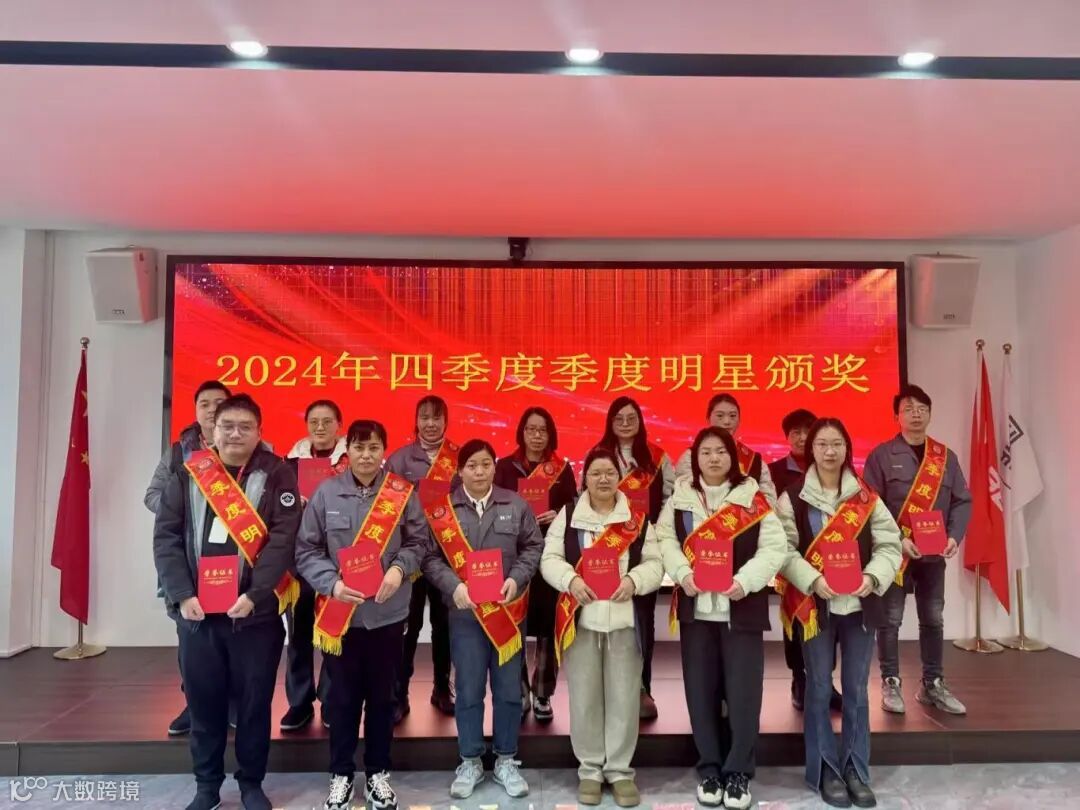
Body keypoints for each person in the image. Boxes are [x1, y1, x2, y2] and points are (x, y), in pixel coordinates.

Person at [153, 394, 301, 810]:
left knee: (254, 704)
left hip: (255, 617)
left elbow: (283, 539)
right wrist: (182, 595)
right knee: (204, 704)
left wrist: (255, 594)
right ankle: (207, 786)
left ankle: (251, 783)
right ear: (212, 431)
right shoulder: (189, 472)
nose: (236, 434)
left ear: (259, 432)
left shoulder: (277, 473)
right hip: (198, 616)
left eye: (245, 427)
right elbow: (166, 536)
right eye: (227, 426)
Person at [295, 419, 431, 810]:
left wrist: (399, 569)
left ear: (383, 452)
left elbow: (419, 542)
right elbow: (307, 550)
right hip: (341, 616)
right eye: (359, 447)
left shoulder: (401, 493)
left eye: (373, 448)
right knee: (341, 700)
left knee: (383, 699)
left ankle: (377, 773)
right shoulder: (326, 493)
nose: (366, 455)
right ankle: (340, 774)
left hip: (388, 614)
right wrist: (332, 584)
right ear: (347, 450)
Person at [657, 427, 788, 809]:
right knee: (700, 693)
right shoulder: (680, 498)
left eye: (720, 451)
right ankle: (710, 768)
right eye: (706, 452)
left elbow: (774, 547)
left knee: (744, 695)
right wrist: (683, 574)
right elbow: (664, 540)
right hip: (696, 611)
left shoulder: (752, 498)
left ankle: (738, 772)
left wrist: (745, 581)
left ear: (733, 457)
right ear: (695, 459)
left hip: (740, 610)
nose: (713, 458)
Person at [776, 418, 902, 809]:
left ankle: (856, 769)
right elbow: (783, 549)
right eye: (822, 444)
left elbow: (890, 544)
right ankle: (825, 770)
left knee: (857, 690)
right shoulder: (793, 497)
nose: (830, 451)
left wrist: (873, 576)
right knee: (817, 688)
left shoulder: (866, 497)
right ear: (811, 449)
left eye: (837, 444)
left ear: (847, 448)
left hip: (860, 606)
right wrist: (812, 579)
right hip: (815, 605)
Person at [420, 439, 543, 800]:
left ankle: (506, 759)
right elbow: (429, 558)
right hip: (465, 615)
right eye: (471, 465)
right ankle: (470, 759)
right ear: (460, 471)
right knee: (469, 689)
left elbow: (533, 547)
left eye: (485, 464)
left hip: (507, 613)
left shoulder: (515, 505)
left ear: (494, 467)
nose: (479, 472)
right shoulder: (442, 511)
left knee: (508, 690)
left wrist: (516, 579)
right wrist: (453, 586)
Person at [542, 447, 663, 808]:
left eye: (610, 472)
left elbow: (655, 564)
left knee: (624, 699)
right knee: (584, 698)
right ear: (585, 479)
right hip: (581, 623)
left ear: (619, 478)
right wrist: (571, 581)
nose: (603, 479)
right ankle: (590, 770)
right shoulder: (568, 516)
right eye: (595, 473)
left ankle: (620, 771)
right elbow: (550, 558)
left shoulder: (637, 520)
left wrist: (634, 580)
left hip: (625, 623)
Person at [863, 385, 972, 716]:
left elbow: (962, 500)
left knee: (933, 618)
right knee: (891, 619)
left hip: (934, 555)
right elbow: (870, 505)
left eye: (922, 408)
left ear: (930, 414)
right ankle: (891, 681)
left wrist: (954, 536)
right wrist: (897, 539)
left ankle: (932, 683)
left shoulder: (945, 457)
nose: (916, 414)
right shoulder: (881, 456)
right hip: (895, 554)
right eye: (908, 409)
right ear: (896, 416)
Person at [143, 379, 230, 737]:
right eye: (204, 403)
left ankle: (232, 704)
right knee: (192, 636)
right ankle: (194, 705)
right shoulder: (179, 453)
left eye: (219, 402)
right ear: (195, 410)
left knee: (234, 635)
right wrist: (185, 506)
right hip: (191, 561)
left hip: (235, 560)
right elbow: (151, 496)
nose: (211, 409)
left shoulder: (250, 447)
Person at [494, 406, 577, 723]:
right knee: (514, 623)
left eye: (543, 430)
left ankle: (543, 692)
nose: (537, 436)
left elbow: (574, 505)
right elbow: (493, 504)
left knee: (547, 628)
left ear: (550, 434)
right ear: (522, 432)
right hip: (513, 556)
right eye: (531, 429)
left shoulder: (562, 469)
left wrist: (559, 514)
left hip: (550, 555)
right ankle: (518, 690)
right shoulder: (504, 467)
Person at [595, 395, 674, 720]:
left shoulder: (657, 458)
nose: (625, 424)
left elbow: (669, 501)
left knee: (642, 618)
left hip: (644, 547)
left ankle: (642, 687)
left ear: (640, 422)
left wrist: (658, 533)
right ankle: (608, 689)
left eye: (631, 418)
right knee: (604, 618)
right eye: (619, 418)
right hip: (606, 548)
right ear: (610, 423)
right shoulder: (599, 455)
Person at [386, 395, 457, 721]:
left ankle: (442, 687)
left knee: (444, 625)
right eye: (424, 417)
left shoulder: (460, 458)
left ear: (446, 421)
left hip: (447, 556)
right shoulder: (399, 460)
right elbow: (387, 510)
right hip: (411, 556)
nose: (430, 424)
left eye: (436, 417)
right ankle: (399, 692)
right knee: (408, 625)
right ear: (416, 421)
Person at [767, 408, 842, 713]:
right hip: (793, 560)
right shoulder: (774, 472)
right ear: (787, 437)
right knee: (797, 621)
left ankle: (826, 681)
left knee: (829, 623)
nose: (801, 437)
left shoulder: (829, 469)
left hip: (829, 563)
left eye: (806, 432)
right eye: (794, 432)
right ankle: (799, 679)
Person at [281, 399, 348, 732]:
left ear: (339, 425)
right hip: (301, 560)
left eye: (327, 421)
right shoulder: (289, 464)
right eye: (314, 422)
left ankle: (333, 698)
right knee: (299, 634)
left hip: (339, 563)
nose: (320, 428)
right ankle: (299, 701)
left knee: (336, 631)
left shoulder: (352, 461)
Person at [675, 394, 777, 505]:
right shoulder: (690, 457)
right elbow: (684, 495)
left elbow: (769, 500)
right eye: (720, 416)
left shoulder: (754, 460)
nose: (727, 421)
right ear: (708, 418)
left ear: (739, 419)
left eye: (733, 416)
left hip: (745, 515)